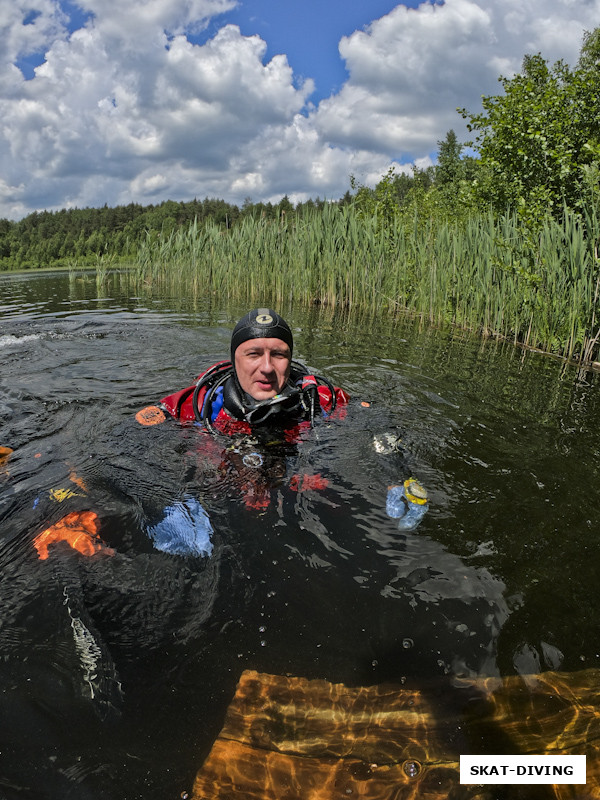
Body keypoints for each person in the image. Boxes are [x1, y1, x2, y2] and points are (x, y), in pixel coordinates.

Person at [137, 308, 350, 438]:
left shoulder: (321, 399)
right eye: (253, 354)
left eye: (278, 355)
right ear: (234, 361)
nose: (267, 368)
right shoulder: (201, 403)